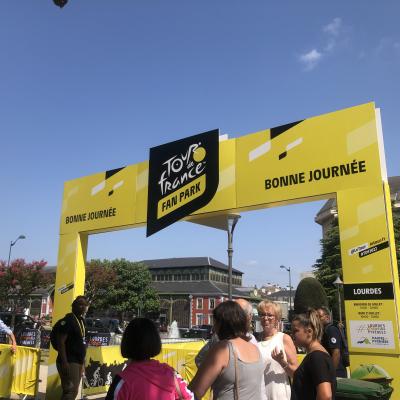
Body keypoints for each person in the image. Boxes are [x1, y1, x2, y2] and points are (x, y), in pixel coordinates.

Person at [189, 301, 264, 400]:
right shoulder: (255, 348)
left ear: (221, 324)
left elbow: (195, 392)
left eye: (215, 322)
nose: (214, 328)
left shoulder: (223, 349)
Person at [105, 317, 193, 400]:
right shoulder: (171, 373)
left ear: (126, 342)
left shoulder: (122, 381)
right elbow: (190, 397)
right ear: (155, 341)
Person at [195, 298, 257, 368]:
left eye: (239, 313)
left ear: (249, 317)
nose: (235, 316)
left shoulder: (252, 340)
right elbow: (199, 359)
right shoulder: (217, 338)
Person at [291, 309, 336, 400]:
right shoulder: (315, 355)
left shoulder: (317, 357)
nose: (292, 334)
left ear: (309, 332)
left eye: (295, 331)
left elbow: (326, 396)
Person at [257, 300, 298, 400]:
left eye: (270, 315)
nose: (265, 318)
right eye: (262, 314)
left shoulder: (283, 338)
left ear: (277, 319)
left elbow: (296, 374)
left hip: (279, 395)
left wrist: (282, 362)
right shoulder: (255, 340)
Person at [55, 295, 88, 400]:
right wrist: (64, 362)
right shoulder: (68, 320)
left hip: (78, 361)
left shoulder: (82, 321)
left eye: (85, 305)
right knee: (70, 391)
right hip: (69, 360)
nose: (82, 307)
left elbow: (81, 344)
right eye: (80, 304)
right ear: (73, 306)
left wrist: (82, 364)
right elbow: (61, 342)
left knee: (74, 392)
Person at [317, 306, 347, 378]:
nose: (316, 319)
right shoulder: (323, 331)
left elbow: (336, 353)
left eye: (319, 317)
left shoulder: (331, 330)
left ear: (327, 317)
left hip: (336, 373)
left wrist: (331, 373)